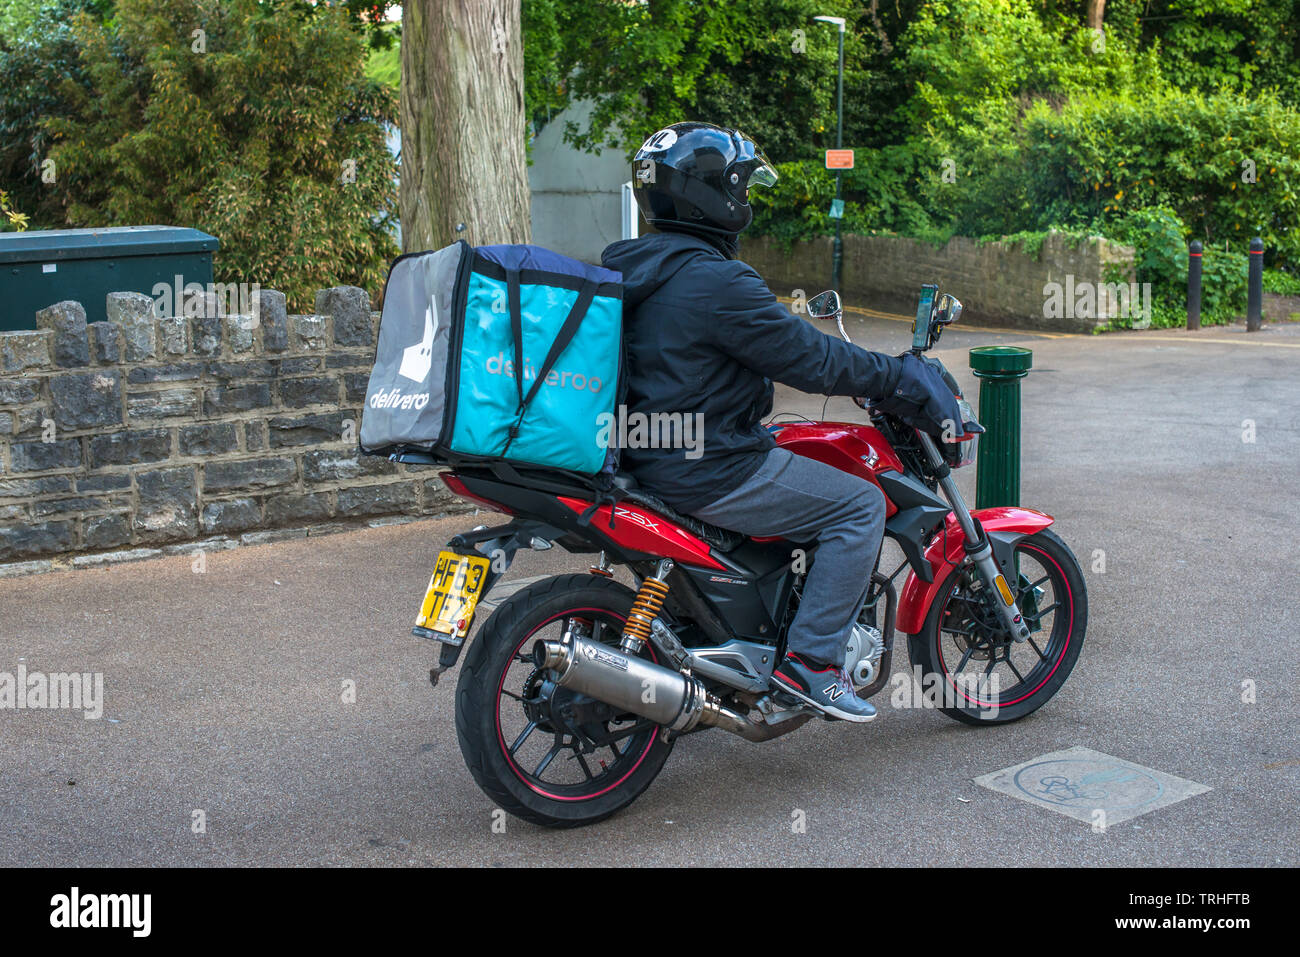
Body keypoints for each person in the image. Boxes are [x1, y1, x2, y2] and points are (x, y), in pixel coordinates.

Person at [601, 121, 964, 723]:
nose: (747, 200)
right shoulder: (716, 281)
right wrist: (902, 378)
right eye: (742, 187)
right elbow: (814, 358)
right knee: (857, 506)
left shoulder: (628, 270)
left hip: (644, 454)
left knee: (791, 454)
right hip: (710, 466)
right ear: (715, 195)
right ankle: (812, 665)